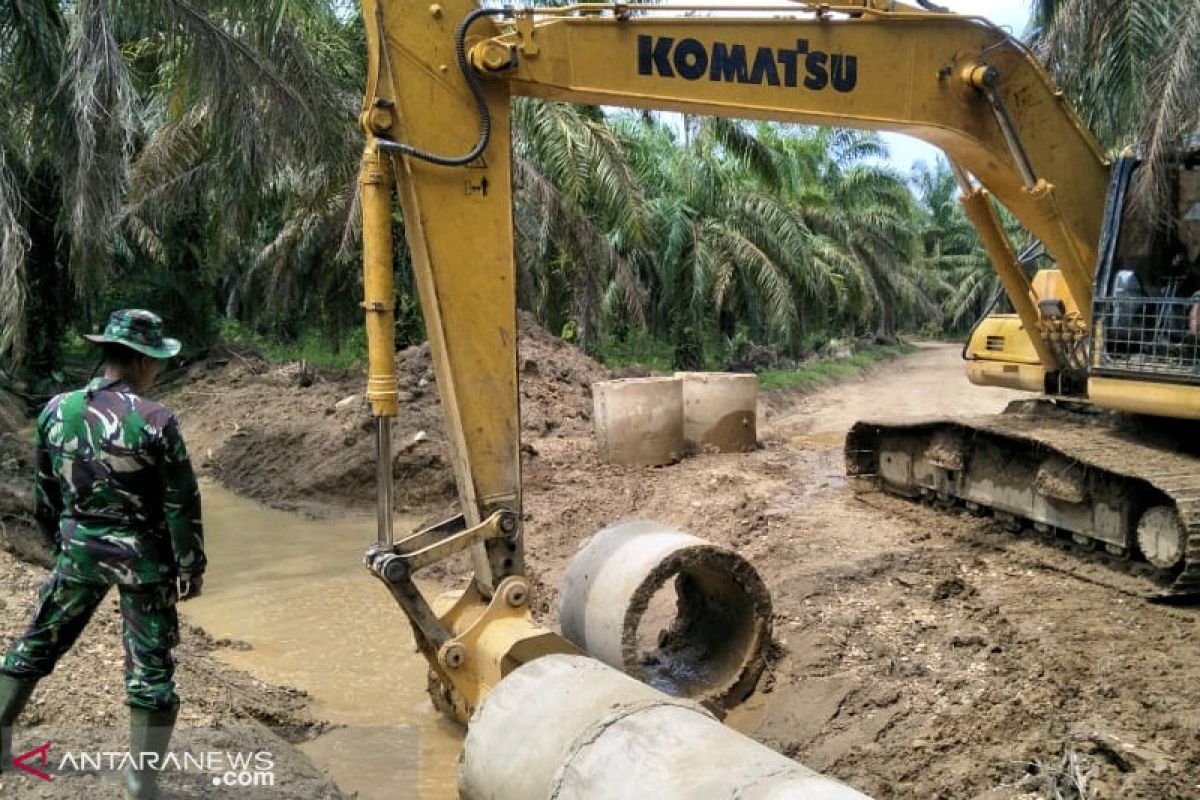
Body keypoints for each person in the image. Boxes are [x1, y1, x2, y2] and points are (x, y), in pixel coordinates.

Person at [0, 309, 205, 799]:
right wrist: (190, 565)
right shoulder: (157, 420)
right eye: (156, 360)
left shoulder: (56, 410)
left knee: (37, 644)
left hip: (78, 553)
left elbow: (44, 491)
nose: (158, 369)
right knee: (150, 670)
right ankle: (139, 783)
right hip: (145, 562)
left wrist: (62, 545)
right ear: (139, 361)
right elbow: (181, 501)